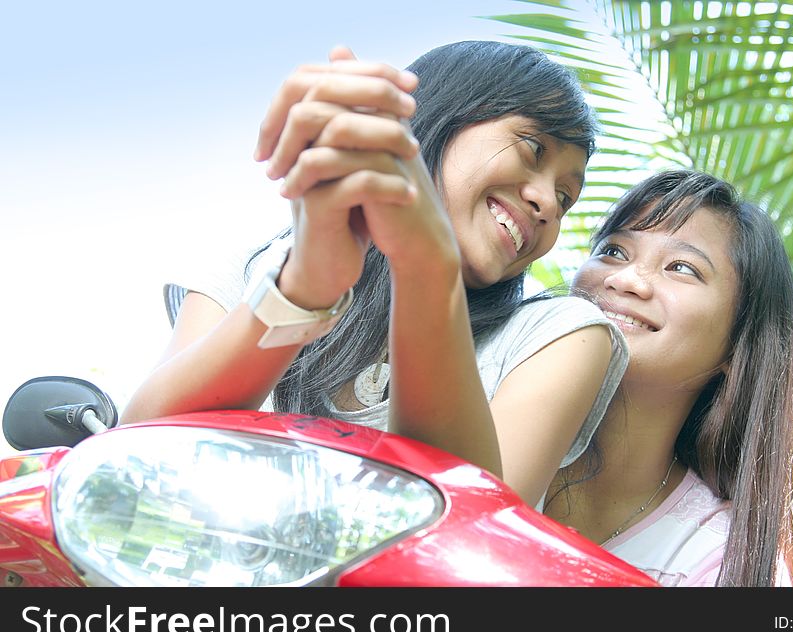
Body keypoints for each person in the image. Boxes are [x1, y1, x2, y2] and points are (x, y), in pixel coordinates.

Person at [121, 41, 629, 509]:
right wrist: (304, 289)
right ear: (434, 119)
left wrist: (428, 269)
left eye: (566, 196)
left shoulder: (561, 335)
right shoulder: (257, 270)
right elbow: (135, 454)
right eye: (532, 148)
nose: (546, 202)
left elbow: (477, 527)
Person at [542, 169, 793, 586]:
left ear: (737, 347)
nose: (624, 279)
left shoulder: (719, 561)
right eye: (614, 250)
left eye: (681, 267)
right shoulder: (476, 419)